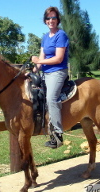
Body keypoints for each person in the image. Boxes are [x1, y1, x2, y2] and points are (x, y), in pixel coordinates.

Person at [31, 6, 69, 149]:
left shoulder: (61, 35)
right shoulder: (45, 37)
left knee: (51, 99)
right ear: (45, 20)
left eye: (53, 17)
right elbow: (42, 57)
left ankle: (58, 134)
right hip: (45, 72)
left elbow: (59, 59)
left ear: (57, 19)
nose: (51, 20)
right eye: (48, 18)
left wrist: (38, 61)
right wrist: (33, 71)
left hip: (58, 71)